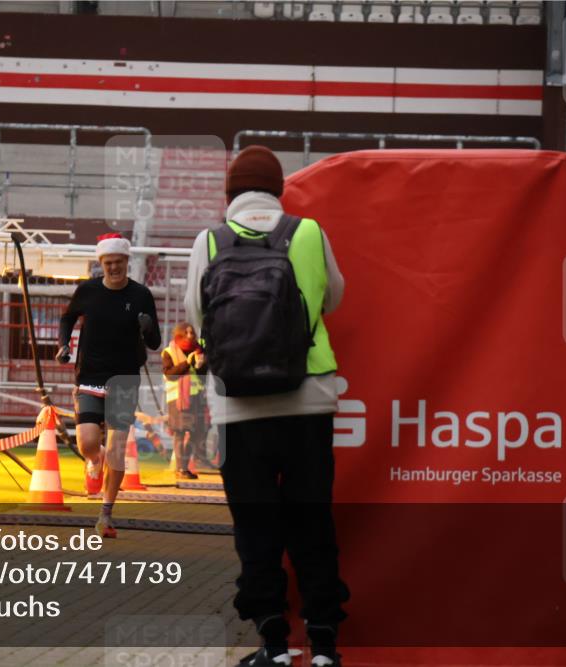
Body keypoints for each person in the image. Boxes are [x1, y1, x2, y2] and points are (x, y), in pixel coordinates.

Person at [184, 146, 350, 667]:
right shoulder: (308, 232)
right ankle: (323, 643)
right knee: (312, 522)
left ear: (229, 193)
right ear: (278, 189)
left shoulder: (208, 241)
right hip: (309, 400)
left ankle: (273, 644)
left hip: (239, 410)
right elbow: (335, 297)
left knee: (255, 529)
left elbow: (197, 312)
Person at [56, 233, 160, 538]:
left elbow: (154, 343)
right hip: (89, 376)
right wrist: (64, 345)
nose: (114, 267)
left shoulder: (141, 295)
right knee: (88, 443)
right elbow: (67, 318)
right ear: (101, 263)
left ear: (127, 262)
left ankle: (105, 514)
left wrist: (148, 327)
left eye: (118, 262)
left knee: (116, 448)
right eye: (108, 263)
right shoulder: (87, 291)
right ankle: (94, 458)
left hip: (125, 378)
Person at [160, 322, 214, 478]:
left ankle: (185, 466)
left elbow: (202, 376)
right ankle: (181, 469)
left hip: (196, 397)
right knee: (180, 432)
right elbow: (170, 374)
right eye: (186, 333)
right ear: (179, 334)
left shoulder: (199, 351)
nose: (190, 335)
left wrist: (200, 365)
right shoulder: (169, 351)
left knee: (197, 431)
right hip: (178, 399)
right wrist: (187, 363)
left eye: (192, 333)